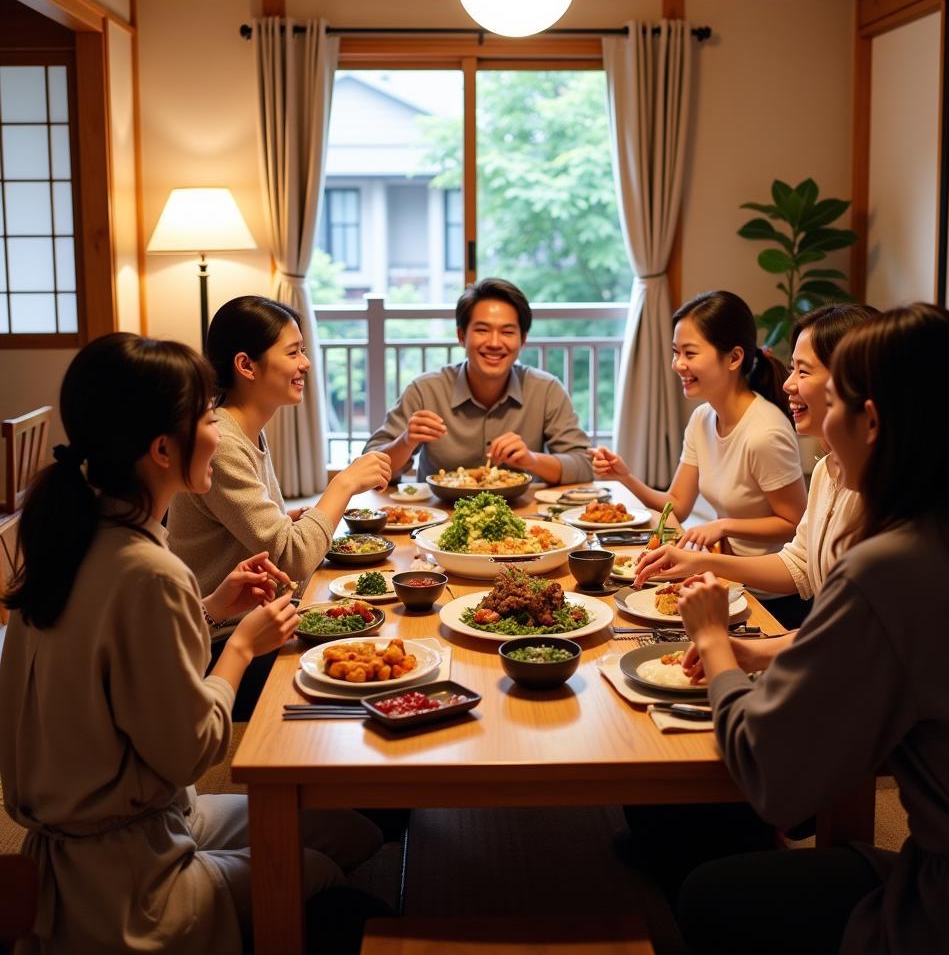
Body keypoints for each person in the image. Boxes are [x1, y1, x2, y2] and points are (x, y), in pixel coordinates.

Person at [0, 334, 384, 955]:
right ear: (160, 449)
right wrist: (240, 648)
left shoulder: (69, 542)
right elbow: (191, 755)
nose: (217, 431)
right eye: (207, 418)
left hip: (127, 823)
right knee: (329, 879)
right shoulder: (150, 571)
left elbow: (121, 663)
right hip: (130, 879)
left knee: (351, 831)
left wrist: (209, 611)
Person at [673, 304, 949, 954]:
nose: (822, 419)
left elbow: (774, 776)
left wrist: (717, 642)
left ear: (874, 421)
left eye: (832, 398)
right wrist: (759, 649)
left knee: (707, 894)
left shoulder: (895, 564)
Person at [168, 296, 390, 717]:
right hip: (225, 643)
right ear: (246, 366)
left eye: (303, 350)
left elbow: (269, 540)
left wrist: (285, 522)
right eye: (293, 352)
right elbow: (293, 559)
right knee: (366, 686)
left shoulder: (245, 432)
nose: (305, 363)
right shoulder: (224, 444)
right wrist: (342, 484)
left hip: (257, 624)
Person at [634, 303, 878, 637]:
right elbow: (800, 564)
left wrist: (738, 649)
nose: (789, 385)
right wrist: (702, 562)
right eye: (792, 370)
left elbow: (856, 635)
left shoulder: (886, 496)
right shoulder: (826, 471)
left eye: (803, 372)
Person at [592, 290, 807, 621]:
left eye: (690, 353)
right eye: (676, 352)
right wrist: (625, 477)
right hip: (725, 578)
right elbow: (677, 504)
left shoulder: (766, 433)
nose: (678, 364)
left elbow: (793, 523)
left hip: (768, 597)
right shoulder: (703, 418)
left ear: (734, 358)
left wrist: (723, 525)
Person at [363, 277, 593, 484]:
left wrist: (532, 460)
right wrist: (406, 441)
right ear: (461, 336)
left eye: (507, 332)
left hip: (523, 521)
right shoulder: (425, 390)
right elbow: (368, 470)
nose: (494, 342)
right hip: (438, 521)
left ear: (523, 340)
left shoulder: (546, 390)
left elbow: (583, 465)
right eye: (482, 330)